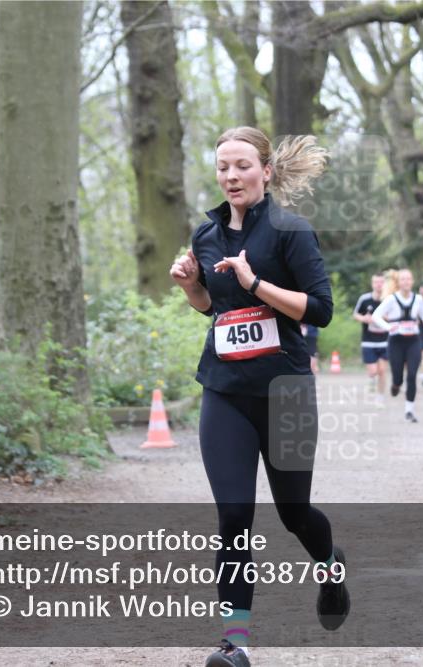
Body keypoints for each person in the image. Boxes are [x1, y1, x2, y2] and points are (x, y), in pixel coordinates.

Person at [169, 127, 350, 667]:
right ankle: (235, 643)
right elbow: (212, 308)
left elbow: (319, 310)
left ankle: (330, 564)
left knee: (295, 512)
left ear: (266, 171)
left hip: (286, 392)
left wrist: (256, 284)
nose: (231, 176)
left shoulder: (292, 232)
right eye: (223, 166)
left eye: (242, 165)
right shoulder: (206, 235)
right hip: (225, 391)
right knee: (234, 515)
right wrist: (190, 287)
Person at [370, 268, 423, 423]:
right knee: (398, 376)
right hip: (396, 342)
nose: (406, 282)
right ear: (398, 282)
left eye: (408, 279)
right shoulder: (391, 299)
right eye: (403, 279)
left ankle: (409, 411)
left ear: (412, 281)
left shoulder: (418, 299)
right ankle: (396, 384)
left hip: (413, 341)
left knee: (412, 375)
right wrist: (387, 327)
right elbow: (375, 316)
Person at [353, 273, 389, 394]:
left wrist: (385, 318)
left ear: (385, 284)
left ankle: (380, 397)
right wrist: (364, 319)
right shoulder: (364, 299)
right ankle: (372, 379)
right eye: (376, 282)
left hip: (385, 341)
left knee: (382, 371)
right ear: (372, 284)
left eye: (381, 282)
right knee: (373, 371)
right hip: (368, 341)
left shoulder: (389, 299)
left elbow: (396, 316)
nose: (379, 285)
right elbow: (355, 314)